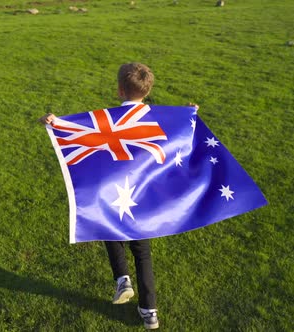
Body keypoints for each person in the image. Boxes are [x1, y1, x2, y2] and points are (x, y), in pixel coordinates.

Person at [39, 62, 198, 330]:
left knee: (109, 228)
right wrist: (189, 115)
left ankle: (122, 278)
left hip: (115, 193)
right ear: (147, 91)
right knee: (142, 252)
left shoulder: (109, 121)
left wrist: (55, 122)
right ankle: (150, 312)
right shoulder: (154, 118)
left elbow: (83, 134)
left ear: (119, 90)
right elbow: (177, 131)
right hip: (144, 198)